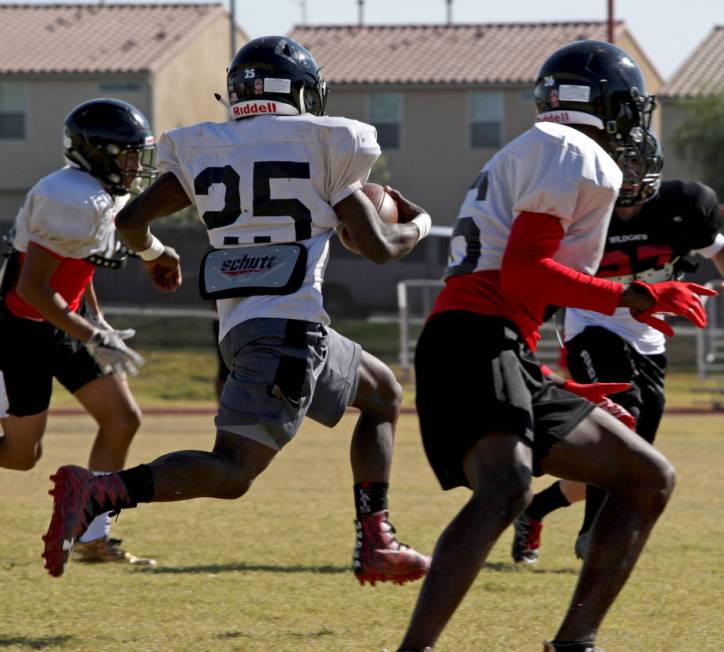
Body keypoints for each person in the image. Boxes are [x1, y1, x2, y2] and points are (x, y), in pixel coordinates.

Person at [42, 36, 431, 585]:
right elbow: (380, 248)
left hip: (252, 325)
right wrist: (418, 223)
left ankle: (377, 541)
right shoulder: (329, 141)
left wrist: (156, 255)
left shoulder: (205, 146)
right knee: (232, 472)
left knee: (383, 393)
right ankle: (101, 490)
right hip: (289, 326)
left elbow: (129, 222)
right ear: (298, 91)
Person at [396, 40, 717, 652]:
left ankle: (575, 643)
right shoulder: (571, 150)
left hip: (494, 341)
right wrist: (636, 297)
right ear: (606, 106)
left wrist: (546, 378)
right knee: (507, 487)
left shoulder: (541, 148)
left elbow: (517, 285)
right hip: (475, 335)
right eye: (628, 107)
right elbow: (524, 273)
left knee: (647, 478)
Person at [512, 176, 724, 564]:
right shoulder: (586, 212)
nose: (625, 213)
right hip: (592, 322)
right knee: (624, 412)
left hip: (649, 336)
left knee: (630, 455)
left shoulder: (682, 207)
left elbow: (722, 248)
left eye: (633, 205)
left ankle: (535, 510)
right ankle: (595, 536)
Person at [0, 98, 154, 566]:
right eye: (127, 154)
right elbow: (32, 287)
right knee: (24, 455)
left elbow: (80, 271)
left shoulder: (103, 196)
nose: (134, 165)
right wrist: (90, 334)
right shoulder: (67, 194)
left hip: (61, 321)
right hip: (18, 328)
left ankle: (92, 534)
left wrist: (97, 322)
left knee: (122, 418)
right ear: (98, 154)